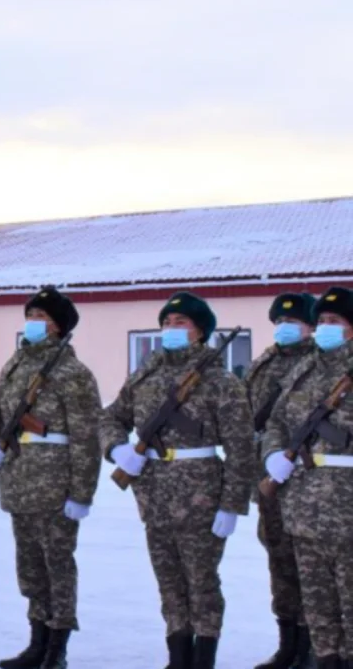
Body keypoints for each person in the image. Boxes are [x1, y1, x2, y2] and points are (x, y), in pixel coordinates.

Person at [99, 291, 256, 669]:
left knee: (201, 582)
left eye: (180, 322)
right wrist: (117, 449)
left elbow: (240, 448)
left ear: (200, 331)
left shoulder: (220, 381)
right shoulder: (145, 375)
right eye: (167, 323)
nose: (171, 328)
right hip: (153, 494)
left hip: (200, 496)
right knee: (168, 581)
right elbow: (110, 417)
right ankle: (178, 657)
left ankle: (203, 659)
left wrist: (232, 505)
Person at [0, 286, 102, 669]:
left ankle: (56, 650)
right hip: (18, 481)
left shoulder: (73, 373)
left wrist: (81, 493)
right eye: (30, 315)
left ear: (59, 327)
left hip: (55, 486)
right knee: (30, 567)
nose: (33, 322)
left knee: (57, 567)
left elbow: (87, 438)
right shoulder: (16, 365)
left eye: (42, 317)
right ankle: (36, 642)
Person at [261, 286, 353, 669]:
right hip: (303, 512)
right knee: (318, 608)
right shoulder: (304, 369)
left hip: (346, 511)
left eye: (335, 320)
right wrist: (273, 455)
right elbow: (277, 422)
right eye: (322, 321)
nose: (326, 327)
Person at [245, 292, 318, 669]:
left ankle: (314, 648)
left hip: (309, 481)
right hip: (268, 478)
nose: (285, 328)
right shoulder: (265, 362)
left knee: (312, 566)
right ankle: (288, 645)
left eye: (294, 322)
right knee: (280, 563)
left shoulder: (319, 362)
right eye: (279, 322)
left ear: (311, 326)